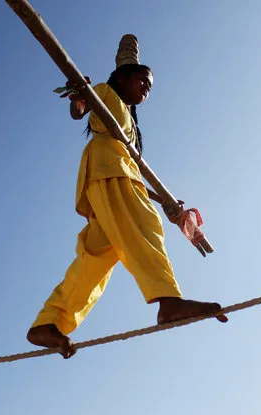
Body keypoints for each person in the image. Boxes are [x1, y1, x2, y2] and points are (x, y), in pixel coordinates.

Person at [27, 35, 227, 359]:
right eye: (142, 81)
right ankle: (168, 301)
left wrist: (164, 202)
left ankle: (50, 321)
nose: (146, 89)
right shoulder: (104, 94)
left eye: (149, 86)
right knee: (144, 225)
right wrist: (80, 96)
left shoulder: (130, 128)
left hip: (111, 179)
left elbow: (131, 171)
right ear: (122, 77)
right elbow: (80, 110)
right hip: (109, 173)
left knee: (96, 259)